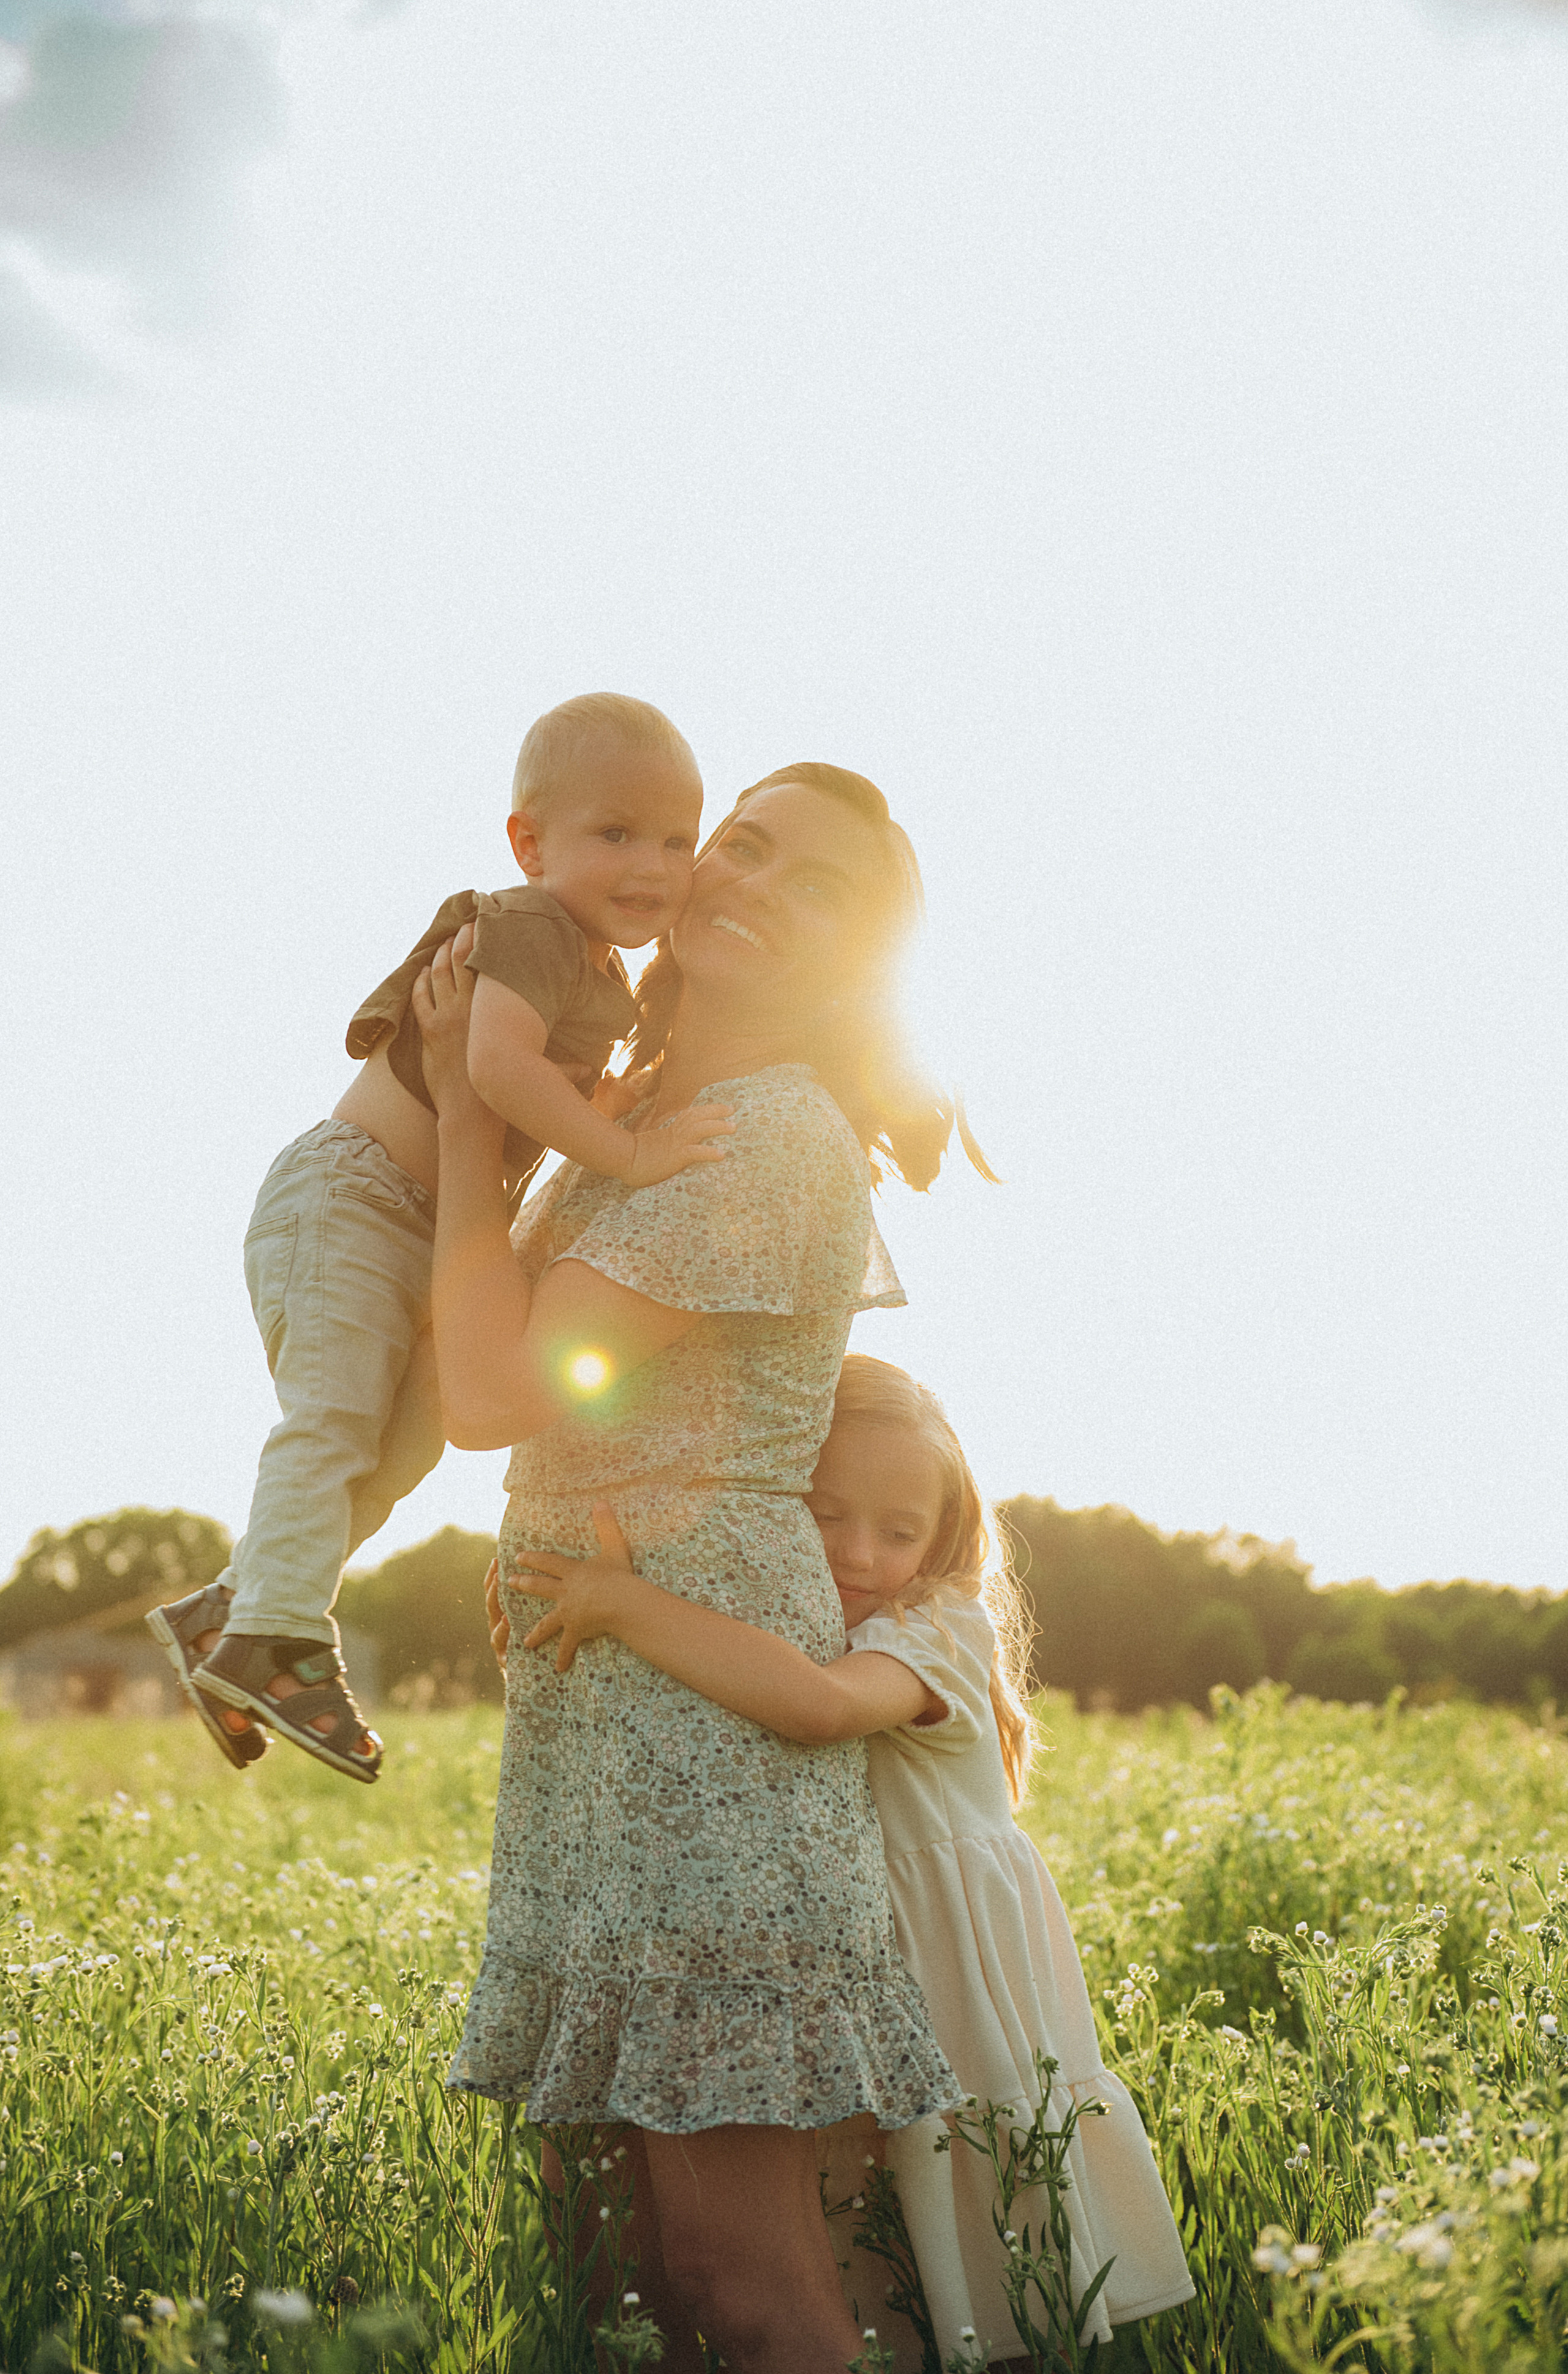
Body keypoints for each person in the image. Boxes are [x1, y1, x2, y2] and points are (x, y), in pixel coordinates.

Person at [414, 765, 988, 2374]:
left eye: (812, 886)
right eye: (741, 842)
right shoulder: (636, 1126)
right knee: (626, 2272)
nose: (745, 878)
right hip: (602, 1716)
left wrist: (472, 1119)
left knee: (743, 2278)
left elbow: (495, 1394)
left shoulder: (774, 1138)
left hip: (704, 1735)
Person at [507, 1354, 1196, 2367]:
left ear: (946, 1540)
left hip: (945, 1960)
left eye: (900, 1530)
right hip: (862, 1954)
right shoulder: (802, 1622)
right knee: (866, 2216)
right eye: (826, 1513)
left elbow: (817, 1707)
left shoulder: (938, 1628)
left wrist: (627, 1607)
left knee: (961, 2193)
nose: (859, 1552)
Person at [147, 691, 728, 1784]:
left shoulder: (605, 976)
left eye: (677, 839)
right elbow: (495, 1072)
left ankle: (234, 1610)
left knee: (408, 1443)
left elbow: (539, 1104)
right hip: (354, 1198)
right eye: (616, 833)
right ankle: (277, 1638)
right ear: (530, 841)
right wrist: (636, 1155)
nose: (652, 862)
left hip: (431, 1228)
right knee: (334, 1420)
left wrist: (624, 1100)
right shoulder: (529, 925)